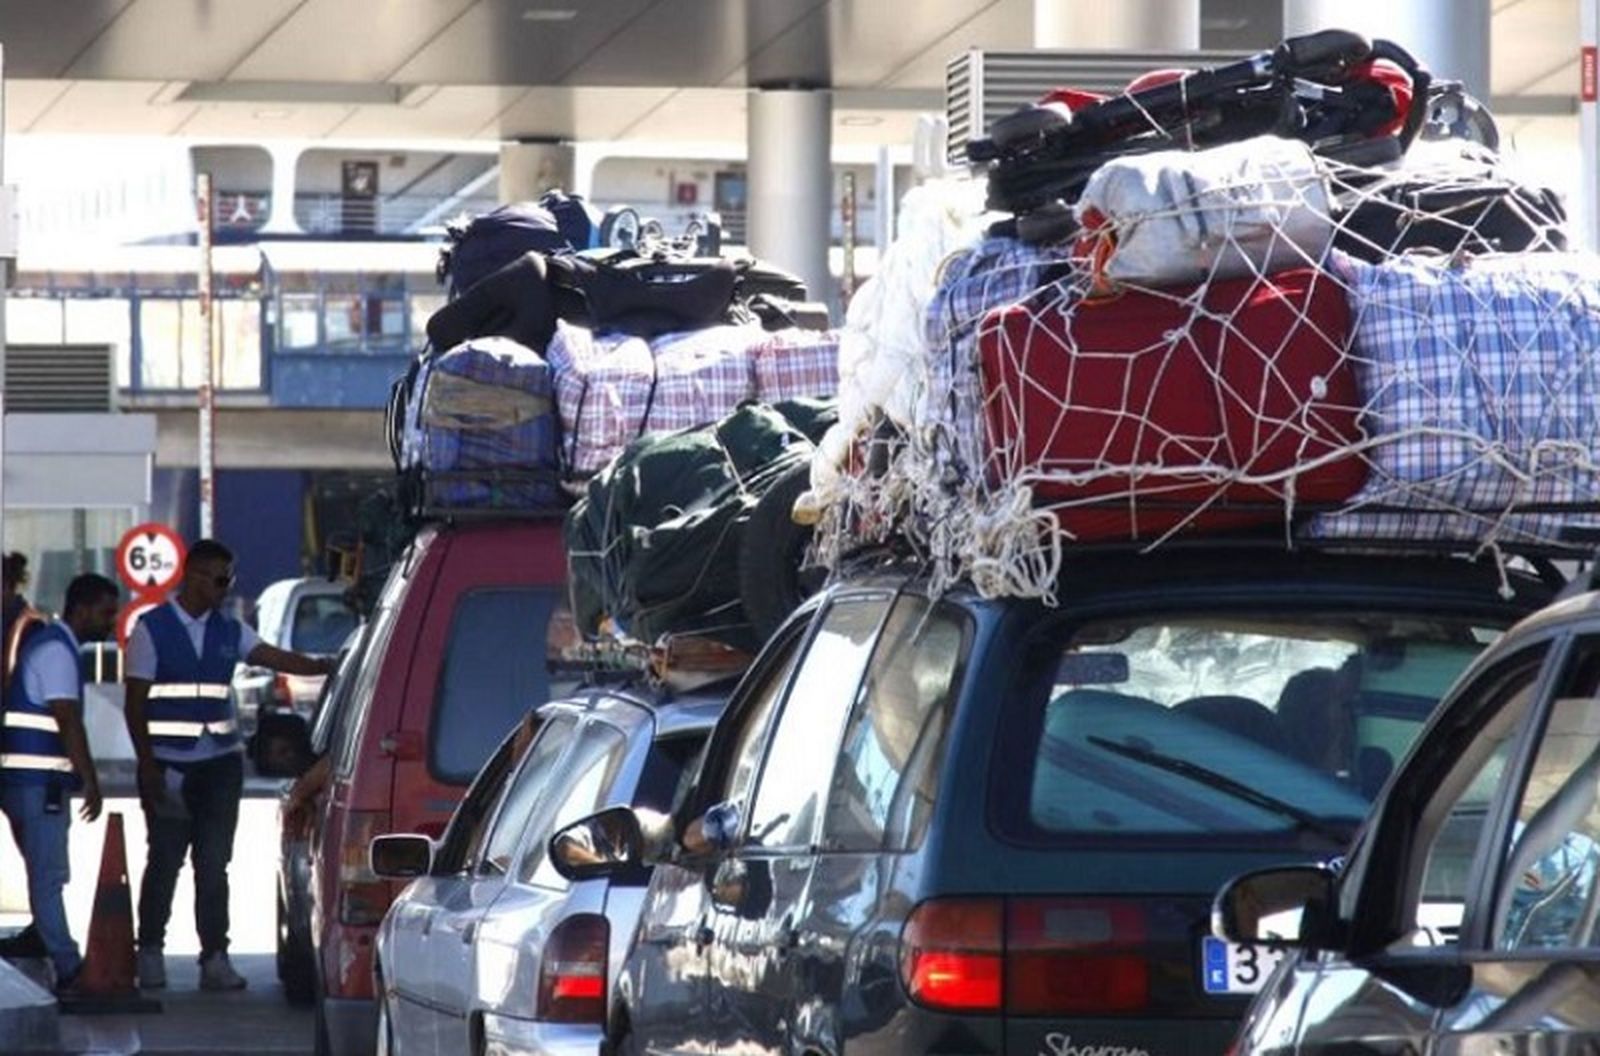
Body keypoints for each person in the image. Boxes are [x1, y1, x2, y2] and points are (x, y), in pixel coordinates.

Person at [123, 539, 333, 992]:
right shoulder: (150, 630)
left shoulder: (229, 630)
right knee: (164, 860)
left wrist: (327, 666)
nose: (225, 588)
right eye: (219, 579)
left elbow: (277, 658)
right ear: (195, 576)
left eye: (229, 580)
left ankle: (215, 957)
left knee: (214, 865)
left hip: (219, 765)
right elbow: (135, 704)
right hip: (169, 767)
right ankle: (151, 952)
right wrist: (147, 766)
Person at [0, 573, 118, 991]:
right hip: (39, 781)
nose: (112, 622)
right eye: (106, 612)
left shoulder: (52, 645)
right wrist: (91, 780)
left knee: (46, 869)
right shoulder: (56, 651)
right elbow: (67, 720)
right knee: (49, 875)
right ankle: (68, 965)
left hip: (29, 780)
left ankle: (40, 938)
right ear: (80, 609)